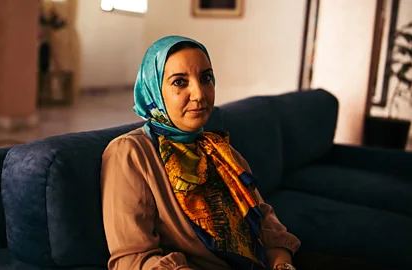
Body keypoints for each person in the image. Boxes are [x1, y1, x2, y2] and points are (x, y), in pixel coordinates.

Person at [101, 36, 300, 270]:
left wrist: (282, 264)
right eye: (179, 82)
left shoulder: (218, 149)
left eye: (205, 78)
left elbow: (263, 217)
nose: (199, 94)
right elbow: (133, 259)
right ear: (153, 89)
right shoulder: (131, 153)